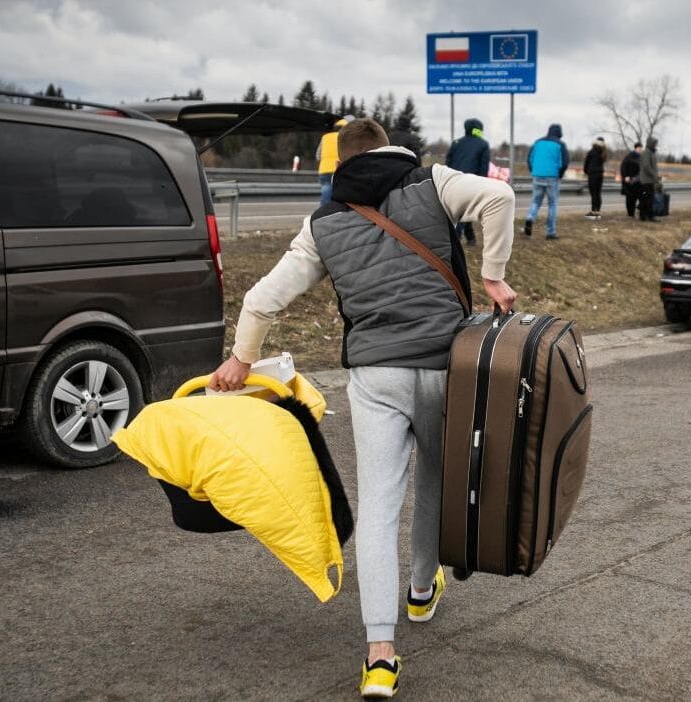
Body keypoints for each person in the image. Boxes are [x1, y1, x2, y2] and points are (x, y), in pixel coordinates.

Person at [209, 118, 518, 699]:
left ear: (339, 165)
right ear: (390, 148)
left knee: (378, 506)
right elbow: (499, 196)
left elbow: (260, 299)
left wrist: (242, 359)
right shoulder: (433, 182)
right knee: (434, 480)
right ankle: (422, 594)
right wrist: (493, 275)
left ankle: (380, 655)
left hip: (376, 375)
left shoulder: (323, 222)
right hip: (443, 363)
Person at [445, 117, 490, 245]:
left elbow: (448, 162)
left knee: (463, 208)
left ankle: (470, 238)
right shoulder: (483, 144)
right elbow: (483, 167)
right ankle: (456, 239)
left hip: (453, 180)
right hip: (471, 182)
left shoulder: (456, 143)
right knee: (465, 210)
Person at [524, 123, 569, 239]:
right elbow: (565, 162)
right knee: (552, 204)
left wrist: (533, 170)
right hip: (552, 177)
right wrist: (560, 174)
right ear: (559, 133)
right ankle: (551, 232)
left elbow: (530, 159)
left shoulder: (538, 142)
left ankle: (530, 217)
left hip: (537, 175)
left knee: (536, 201)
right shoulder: (560, 144)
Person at [316, 116, 351, 206]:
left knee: (326, 190)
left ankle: (323, 212)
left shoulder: (325, 137)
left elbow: (318, 156)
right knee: (342, 193)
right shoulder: (345, 137)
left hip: (324, 170)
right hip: (339, 168)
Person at [583, 137, 607, 219]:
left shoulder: (592, 151)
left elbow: (586, 163)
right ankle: (598, 212)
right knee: (598, 193)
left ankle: (593, 212)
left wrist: (586, 171)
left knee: (593, 193)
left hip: (592, 174)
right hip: (600, 174)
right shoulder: (603, 152)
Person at [638, 136, 660, 221]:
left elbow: (652, 166)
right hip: (646, 180)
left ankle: (647, 215)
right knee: (646, 199)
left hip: (650, 180)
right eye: (654, 144)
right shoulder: (646, 153)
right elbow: (647, 166)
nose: (656, 145)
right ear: (651, 143)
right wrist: (654, 175)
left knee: (649, 199)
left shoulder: (651, 152)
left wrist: (655, 176)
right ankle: (646, 216)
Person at [619, 142, 642, 217]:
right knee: (630, 198)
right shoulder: (629, 156)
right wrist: (625, 176)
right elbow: (623, 166)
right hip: (629, 180)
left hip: (638, 181)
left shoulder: (641, 157)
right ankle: (630, 214)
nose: (640, 149)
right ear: (635, 148)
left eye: (641, 148)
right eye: (639, 148)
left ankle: (637, 211)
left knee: (640, 197)